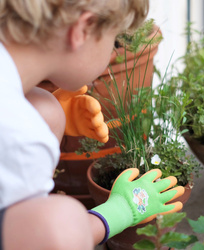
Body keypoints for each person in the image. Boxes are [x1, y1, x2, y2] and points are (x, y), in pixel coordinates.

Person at [0, 1, 185, 249]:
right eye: (115, 40)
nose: (112, 54)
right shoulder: (19, 133)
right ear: (83, 30)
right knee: (61, 221)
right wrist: (120, 211)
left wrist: (55, 112)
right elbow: (45, 236)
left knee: (44, 107)